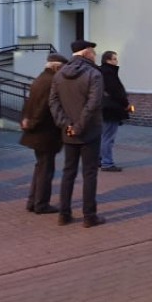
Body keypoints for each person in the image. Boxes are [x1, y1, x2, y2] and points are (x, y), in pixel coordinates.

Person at [49, 39, 106, 228]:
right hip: (89, 131)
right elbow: (93, 103)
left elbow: (53, 103)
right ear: (87, 52)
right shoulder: (94, 74)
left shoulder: (59, 74)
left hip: (69, 132)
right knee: (89, 174)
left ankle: (64, 214)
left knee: (68, 173)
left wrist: (67, 125)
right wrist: (79, 126)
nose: (95, 55)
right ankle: (89, 216)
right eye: (93, 52)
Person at [20, 53, 69, 214]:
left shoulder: (40, 79)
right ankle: (41, 203)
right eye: (62, 68)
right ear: (56, 67)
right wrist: (32, 123)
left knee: (40, 167)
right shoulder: (51, 82)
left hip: (37, 133)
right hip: (45, 133)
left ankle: (32, 201)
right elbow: (43, 107)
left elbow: (29, 103)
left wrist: (26, 121)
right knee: (46, 169)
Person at [100, 50, 130, 172]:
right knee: (108, 137)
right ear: (108, 60)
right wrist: (126, 104)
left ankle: (100, 159)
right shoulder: (109, 73)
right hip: (111, 109)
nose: (116, 61)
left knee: (103, 136)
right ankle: (107, 162)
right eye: (114, 59)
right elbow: (116, 92)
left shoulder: (101, 72)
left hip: (104, 108)